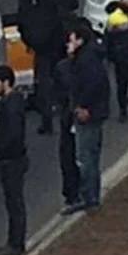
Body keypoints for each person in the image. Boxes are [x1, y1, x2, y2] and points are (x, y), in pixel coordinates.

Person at [17, 0, 80, 135]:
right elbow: (73, 4)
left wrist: (29, 41)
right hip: (58, 44)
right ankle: (66, 117)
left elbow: (20, 19)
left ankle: (46, 122)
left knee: (43, 83)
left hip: (38, 47)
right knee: (64, 80)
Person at [62, 21, 111, 214]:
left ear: (80, 40)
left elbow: (90, 85)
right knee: (92, 155)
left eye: (71, 40)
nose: (68, 43)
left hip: (89, 113)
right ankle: (92, 195)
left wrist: (82, 106)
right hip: (97, 111)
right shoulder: (92, 57)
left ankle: (88, 197)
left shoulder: (85, 60)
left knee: (85, 157)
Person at [0, 65, 28, 255]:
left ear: (6, 82)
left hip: (11, 160)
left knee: (14, 203)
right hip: (13, 158)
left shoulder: (11, 104)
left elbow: (13, 134)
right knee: (13, 202)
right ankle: (15, 241)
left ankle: (16, 243)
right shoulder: (11, 101)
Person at [53, 49, 82, 210]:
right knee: (67, 157)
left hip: (82, 117)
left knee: (82, 157)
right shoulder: (61, 67)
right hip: (67, 118)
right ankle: (71, 194)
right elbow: (58, 91)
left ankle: (83, 192)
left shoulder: (87, 67)